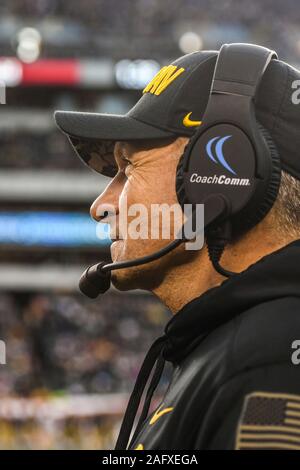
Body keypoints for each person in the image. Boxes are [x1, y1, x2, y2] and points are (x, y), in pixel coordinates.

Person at [55, 44, 300, 450]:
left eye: (128, 168)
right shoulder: (236, 350)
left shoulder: (267, 367)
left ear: (220, 177)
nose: (101, 207)